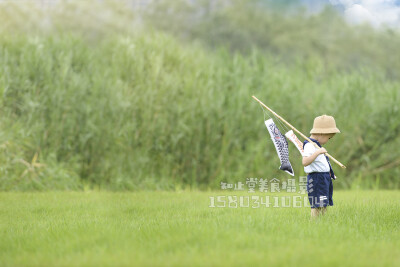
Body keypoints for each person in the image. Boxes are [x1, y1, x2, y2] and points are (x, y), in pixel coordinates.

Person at [302, 115, 340, 218]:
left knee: (324, 202)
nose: (328, 140)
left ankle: (323, 220)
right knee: (317, 203)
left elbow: (322, 164)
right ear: (322, 134)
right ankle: (314, 221)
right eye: (329, 138)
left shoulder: (317, 145)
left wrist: (330, 174)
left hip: (324, 178)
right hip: (317, 179)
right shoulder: (310, 146)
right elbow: (305, 161)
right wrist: (318, 152)